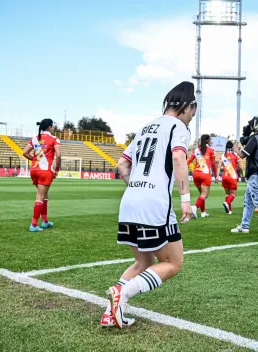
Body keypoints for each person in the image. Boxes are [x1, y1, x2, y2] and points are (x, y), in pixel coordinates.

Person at [104, 81, 196, 329]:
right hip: (155, 206)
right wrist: (186, 199)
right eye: (193, 111)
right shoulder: (179, 127)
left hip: (130, 201)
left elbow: (122, 166)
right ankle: (121, 294)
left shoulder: (144, 128)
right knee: (174, 263)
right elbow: (178, 156)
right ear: (187, 107)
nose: (192, 117)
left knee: (143, 263)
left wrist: (136, 188)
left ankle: (110, 311)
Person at [231, 116, 258, 233]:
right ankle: (244, 226)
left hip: (254, 172)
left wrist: (236, 148)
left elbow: (243, 155)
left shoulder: (255, 138)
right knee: (248, 201)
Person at [22, 119, 61, 232]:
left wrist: (34, 159)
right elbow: (58, 156)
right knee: (40, 196)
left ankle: (45, 221)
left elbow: (25, 153)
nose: (53, 128)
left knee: (44, 195)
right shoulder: (54, 139)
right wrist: (57, 170)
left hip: (34, 170)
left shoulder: (35, 138)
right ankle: (33, 225)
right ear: (49, 127)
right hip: (45, 171)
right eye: (52, 126)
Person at [187, 134, 218, 218]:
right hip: (205, 174)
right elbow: (213, 165)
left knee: (201, 194)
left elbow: (189, 161)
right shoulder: (211, 150)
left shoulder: (196, 150)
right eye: (210, 140)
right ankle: (194, 207)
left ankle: (203, 213)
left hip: (196, 174)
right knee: (205, 195)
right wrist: (216, 176)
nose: (211, 141)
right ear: (208, 140)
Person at [219, 141, 242, 214]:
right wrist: (242, 173)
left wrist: (217, 176)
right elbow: (241, 167)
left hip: (224, 176)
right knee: (233, 195)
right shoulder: (235, 155)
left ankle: (229, 211)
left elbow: (219, 166)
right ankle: (227, 202)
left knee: (227, 194)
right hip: (232, 176)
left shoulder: (223, 155)